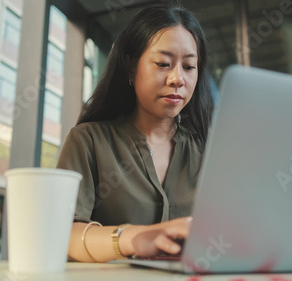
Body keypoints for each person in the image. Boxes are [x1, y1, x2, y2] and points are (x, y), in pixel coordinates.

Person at [57, 4, 213, 262]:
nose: (178, 79)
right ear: (130, 67)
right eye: (163, 63)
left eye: (188, 67)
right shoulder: (88, 141)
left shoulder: (209, 150)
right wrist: (135, 239)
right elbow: (64, 234)